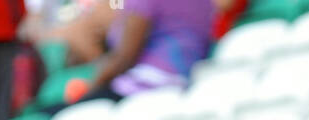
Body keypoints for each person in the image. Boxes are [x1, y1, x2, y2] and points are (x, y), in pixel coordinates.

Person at [73, 0, 215, 102]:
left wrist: (90, 89)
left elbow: (124, 59)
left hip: (144, 87)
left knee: (59, 112)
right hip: (187, 83)